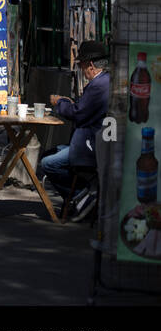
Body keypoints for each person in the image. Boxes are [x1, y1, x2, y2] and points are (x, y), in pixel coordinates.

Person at [39, 39, 110, 221]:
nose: (81, 69)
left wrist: (60, 103)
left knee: (48, 163)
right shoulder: (103, 82)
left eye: (82, 65)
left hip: (90, 144)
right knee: (52, 152)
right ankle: (81, 194)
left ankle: (82, 196)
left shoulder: (98, 86)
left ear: (91, 65)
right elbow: (84, 110)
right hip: (91, 140)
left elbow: (78, 114)